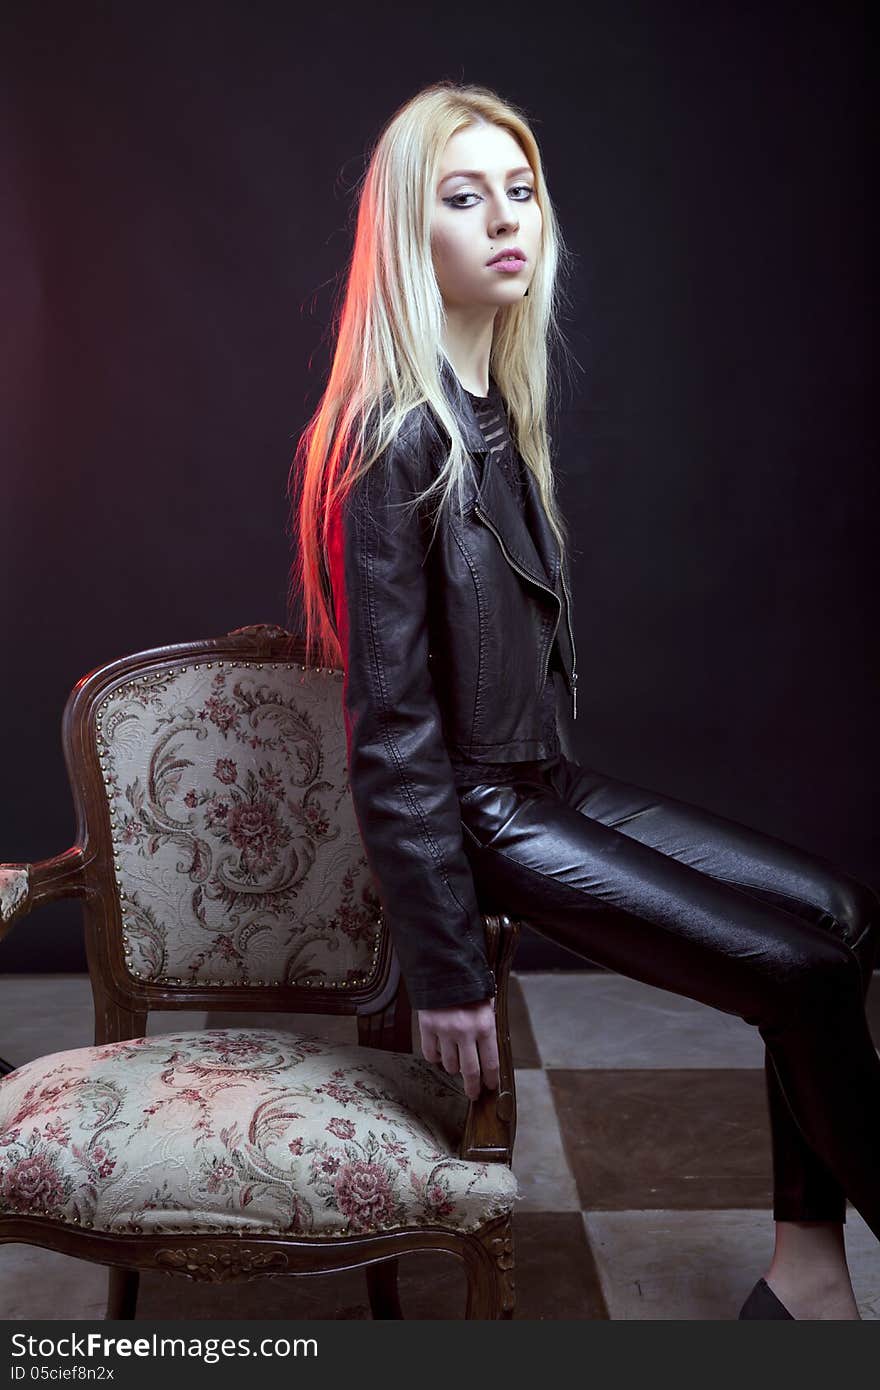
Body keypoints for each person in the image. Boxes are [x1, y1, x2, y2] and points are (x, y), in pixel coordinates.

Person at [287, 80, 880, 1320]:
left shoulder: (498, 415)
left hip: (546, 784)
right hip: (484, 818)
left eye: (522, 191)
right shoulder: (387, 441)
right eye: (465, 197)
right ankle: (819, 1285)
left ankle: (805, 1272)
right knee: (803, 976)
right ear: (409, 232)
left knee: (840, 918)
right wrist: (447, 968)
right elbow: (391, 739)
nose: (508, 219)